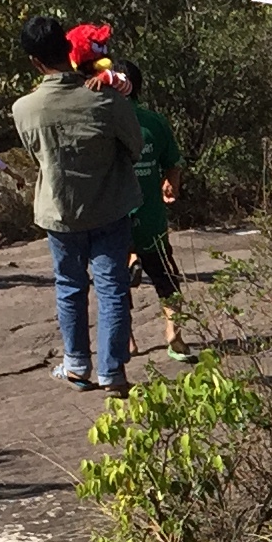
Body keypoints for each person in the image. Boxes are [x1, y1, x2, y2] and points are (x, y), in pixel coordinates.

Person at [8, 13, 143, 392]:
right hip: (110, 207)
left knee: (69, 285)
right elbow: (135, 146)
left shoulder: (24, 109)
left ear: (35, 61)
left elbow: (38, 156)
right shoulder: (106, 100)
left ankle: (76, 365)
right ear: (69, 48)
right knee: (112, 286)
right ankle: (113, 372)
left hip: (59, 212)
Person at [119, 56, 190, 360]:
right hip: (151, 219)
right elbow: (173, 162)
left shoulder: (104, 121)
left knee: (114, 285)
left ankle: (127, 340)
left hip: (116, 219)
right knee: (167, 280)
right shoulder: (155, 122)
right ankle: (174, 334)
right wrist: (169, 183)